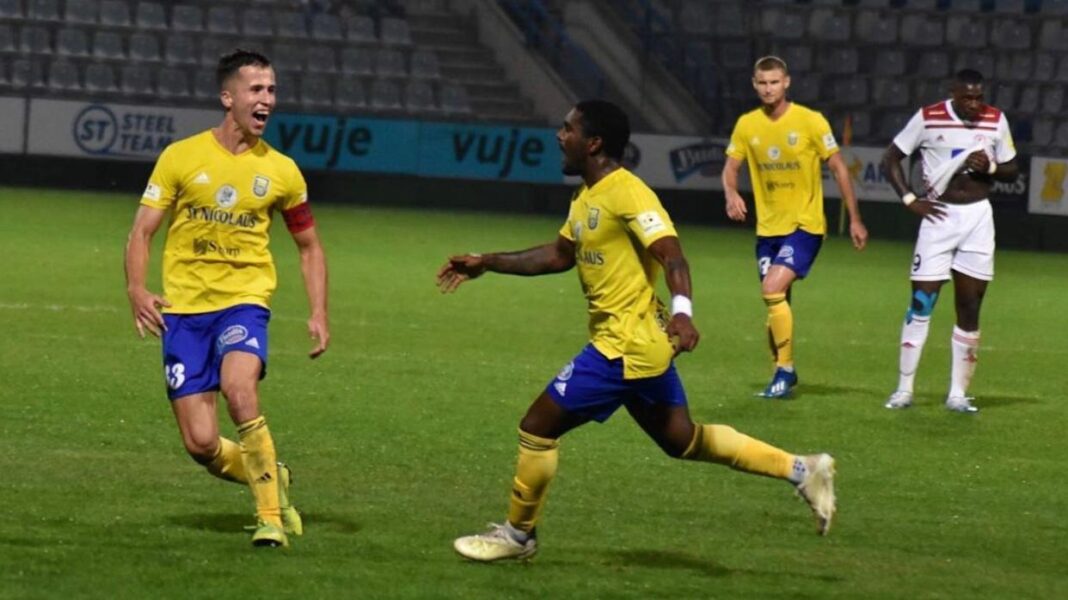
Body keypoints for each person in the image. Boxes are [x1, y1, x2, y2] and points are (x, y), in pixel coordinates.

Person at [437, 100, 837, 562]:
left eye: (568, 129)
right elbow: (558, 255)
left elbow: (673, 255)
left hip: (622, 347)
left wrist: (683, 312)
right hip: (642, 343)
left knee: (537, 427)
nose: (559, 136)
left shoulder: (629, 193)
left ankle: (517, 536)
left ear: (593, 143)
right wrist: (487, 262)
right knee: (682, 439)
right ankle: (802, 470)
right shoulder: (587, 196)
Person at [124, 49, 330, 547]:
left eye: (272, 90)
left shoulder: (282, 171)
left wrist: (319, 311)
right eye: (256, 89)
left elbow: (309, 246)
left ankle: (270, 519)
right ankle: (272, 476)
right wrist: (136, 287)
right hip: (184, 312)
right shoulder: (180, 157)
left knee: (240, 391)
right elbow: (142, 231)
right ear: (227, 97)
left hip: (244, 302)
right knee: (200, 444)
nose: (267, 100)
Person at [721, 56, 868, 399]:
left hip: (805, 225)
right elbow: (730, 168)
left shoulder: (810, 121)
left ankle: (785, 371)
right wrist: (731, 193)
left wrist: (855, 218)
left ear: (786, 82)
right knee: (776, 300)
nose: (768, 89)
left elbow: (839, 168)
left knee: (771, 288)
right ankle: (779, 373)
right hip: (767, 230)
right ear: (754, 84)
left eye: (774, 82)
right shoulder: (747, 125)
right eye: (762, 83)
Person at [881, 69, 1018, 413]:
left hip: (978, 219)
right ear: (953, 94)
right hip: (939, 218)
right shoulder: (929, 118)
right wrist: (910, 200)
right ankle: (904, 389)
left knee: (970, 306)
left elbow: (1012, 169)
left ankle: (957, 394)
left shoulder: (995, 120)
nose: (974, 104)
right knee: (921, 303)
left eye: (979, 97)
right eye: (967, 97)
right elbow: (891, 158)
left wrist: (990, 168)